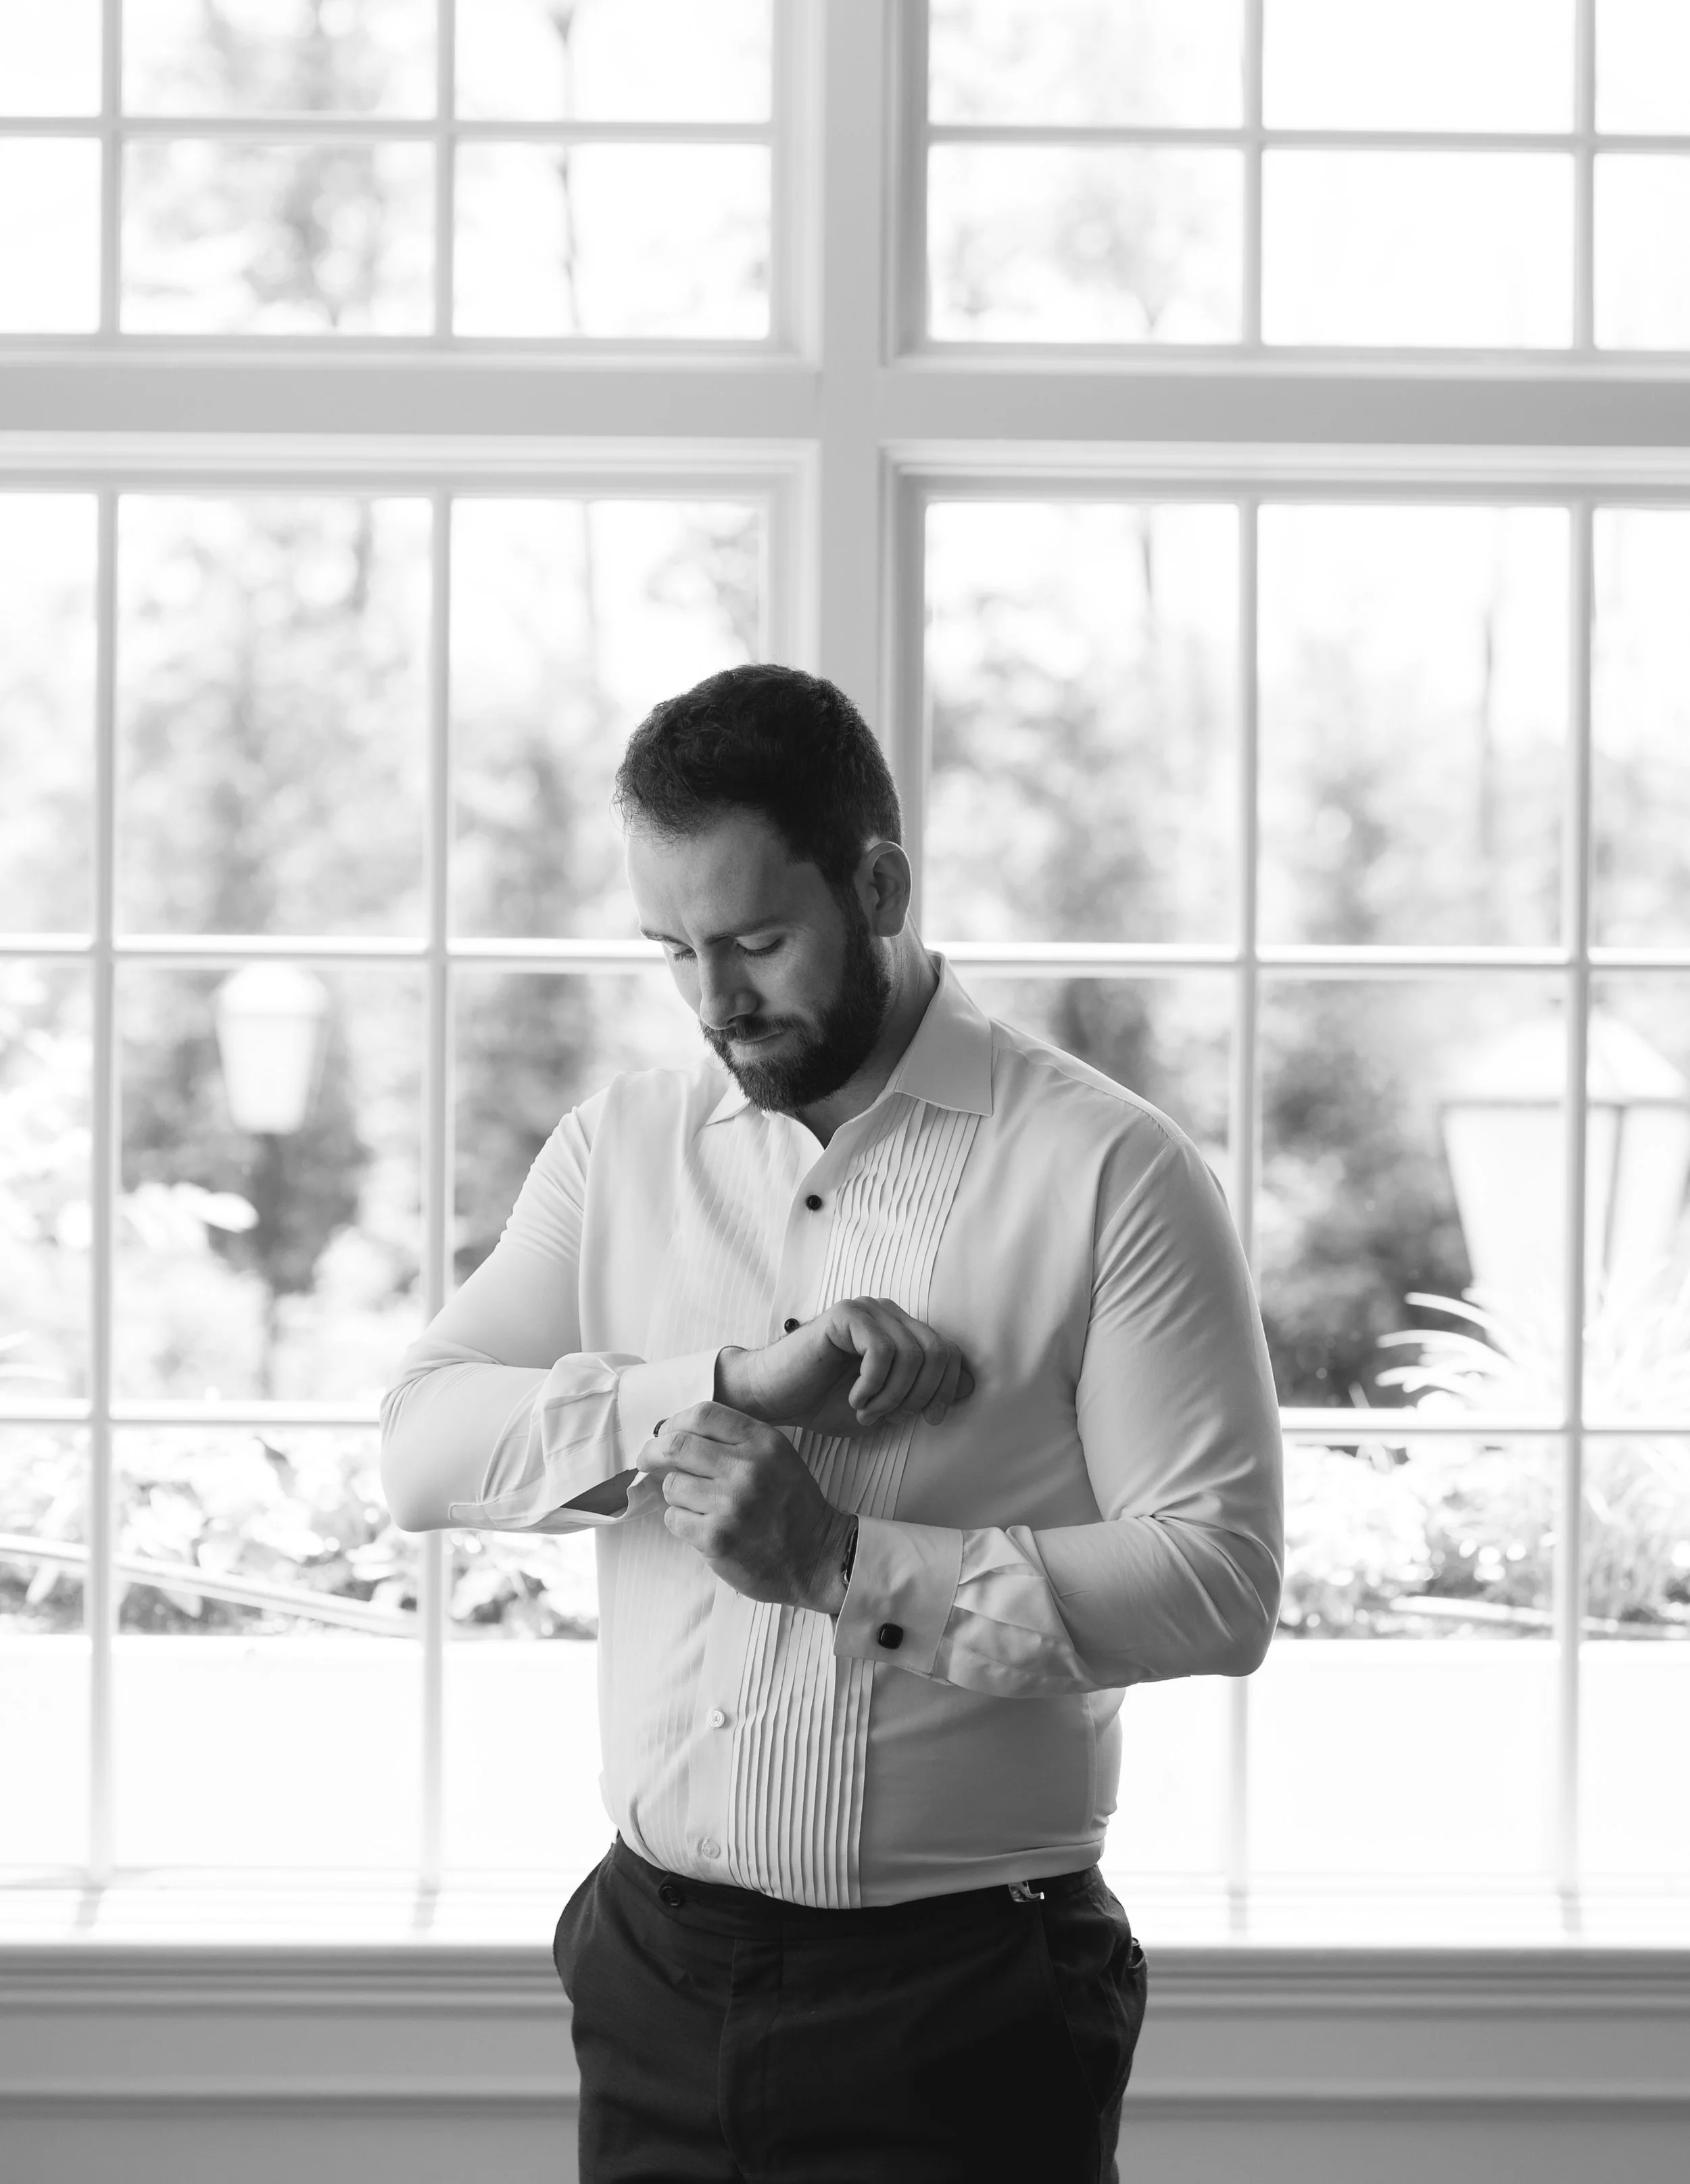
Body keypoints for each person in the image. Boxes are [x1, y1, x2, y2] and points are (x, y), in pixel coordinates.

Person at [381, 663, 1283, 2184]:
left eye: (753, 940)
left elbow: (1217, 1582)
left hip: (968, 2007)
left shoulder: (1108, 1172)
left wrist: (837, 1564)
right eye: (670, 949)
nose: (714, 1000)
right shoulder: (619, 1150)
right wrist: (723, 1384)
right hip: (652, 1971)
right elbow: (420, 1445)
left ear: (878, 883)